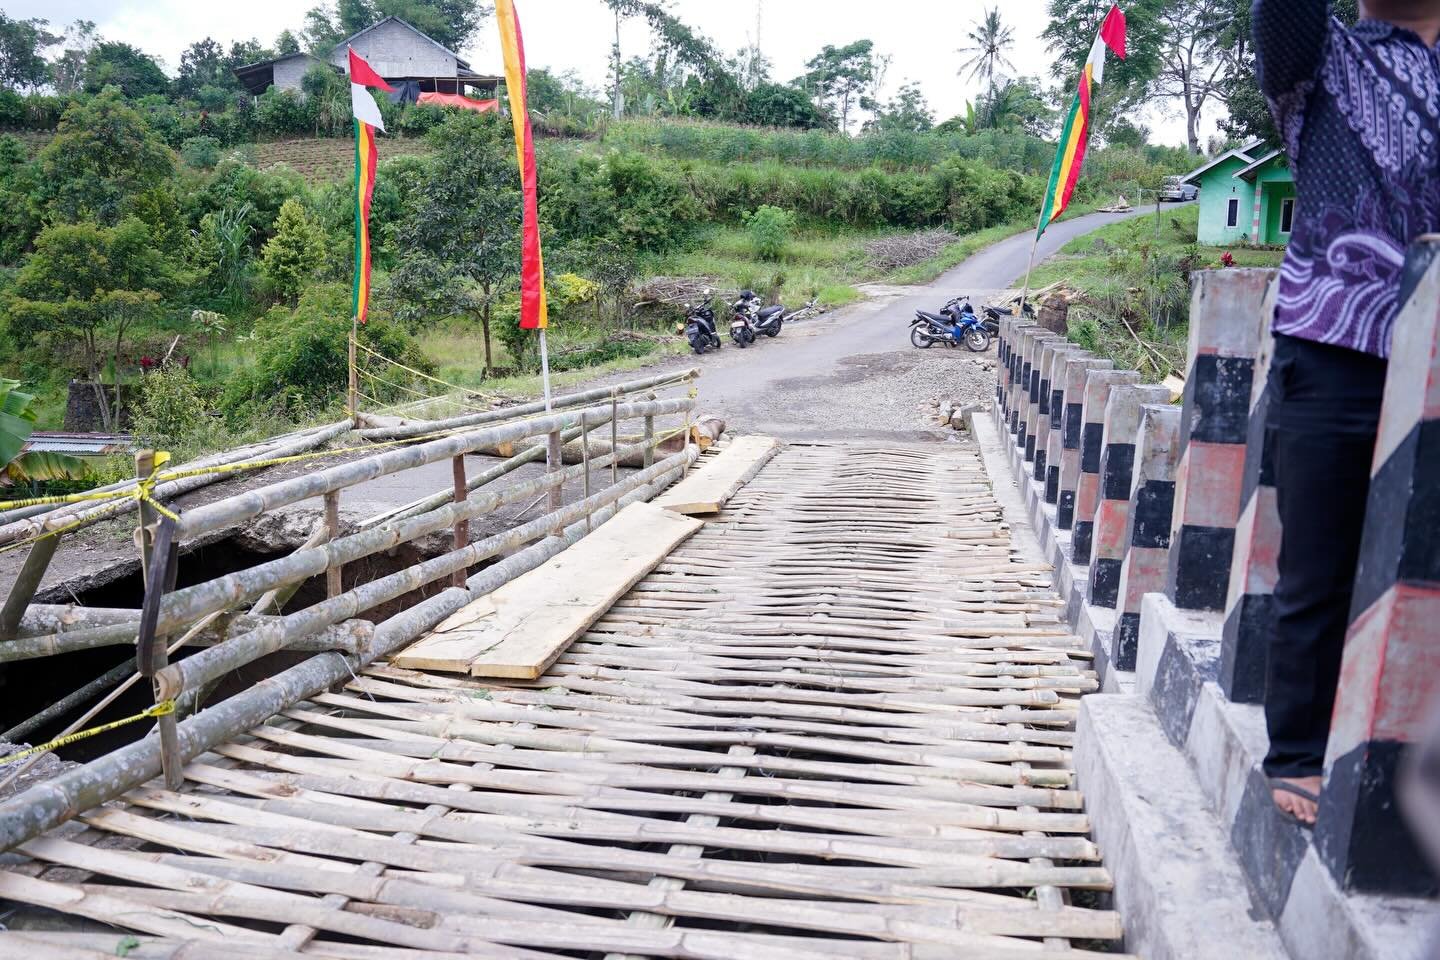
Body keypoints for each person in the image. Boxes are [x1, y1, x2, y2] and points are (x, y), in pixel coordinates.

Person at [1253, 0, 1440, 826]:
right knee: (1319, 565)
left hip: (1437, 349)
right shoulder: (1319, 54)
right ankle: (1298, 751)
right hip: (1337, 343)